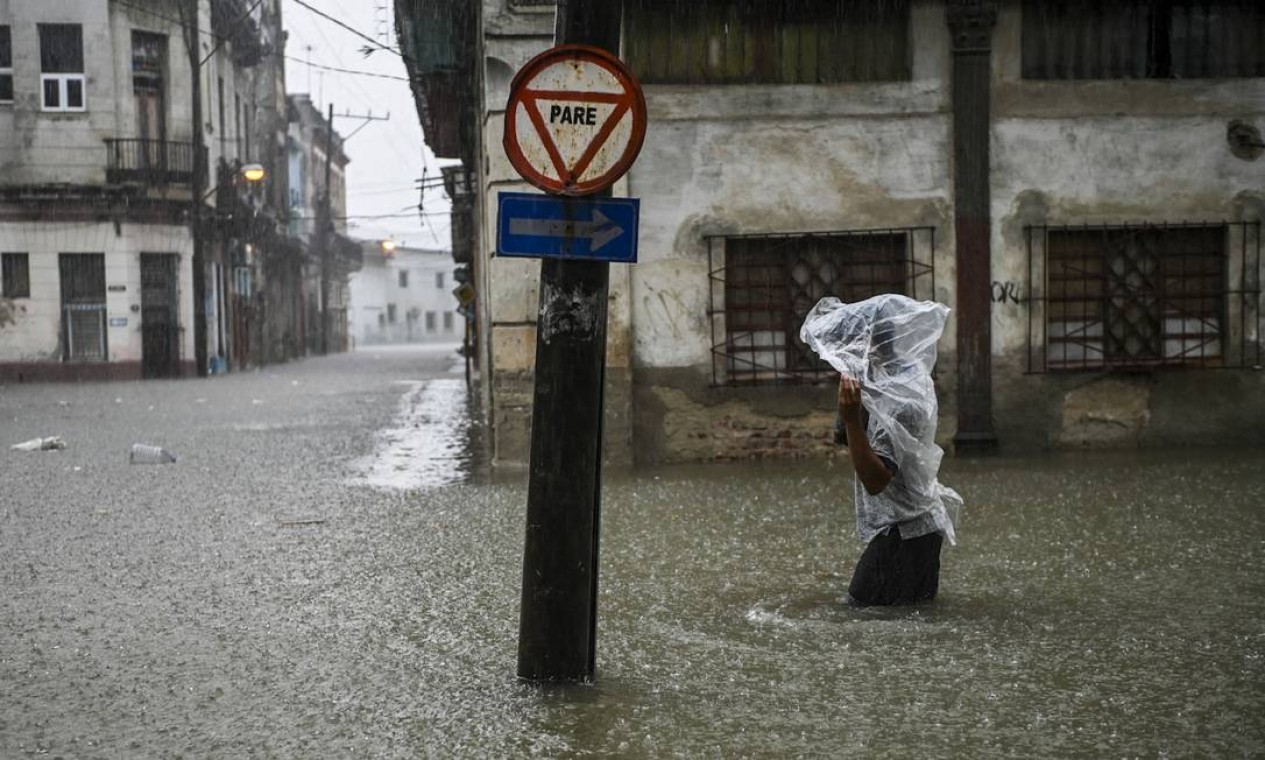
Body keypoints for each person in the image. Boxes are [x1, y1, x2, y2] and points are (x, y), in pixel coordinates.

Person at [800, 294, 961, 607]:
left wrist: (851, 418)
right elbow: (845, 439)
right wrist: (852, 407)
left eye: (848, 350)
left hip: (907, 532)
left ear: (869, 346)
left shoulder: (902, 399)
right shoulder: (890, 379)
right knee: (905, 617)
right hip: (915, 528)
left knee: (857, 611)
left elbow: (876, 480)